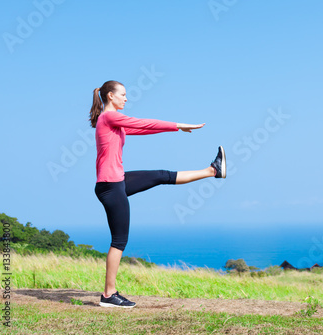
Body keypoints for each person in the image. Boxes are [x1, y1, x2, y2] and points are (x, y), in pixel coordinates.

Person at [89, 80, 226, 308]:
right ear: (110, 96)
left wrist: (173, 129)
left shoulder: (114, 122)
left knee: (162, 175)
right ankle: (108, 295)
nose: (126, 98)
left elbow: (143, 128)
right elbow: (144, 122)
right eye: (123, 94)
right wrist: (178, 125)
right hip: (110, 186)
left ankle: (213, 170)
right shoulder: (109, 117)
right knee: (119, 241)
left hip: (117, 182)